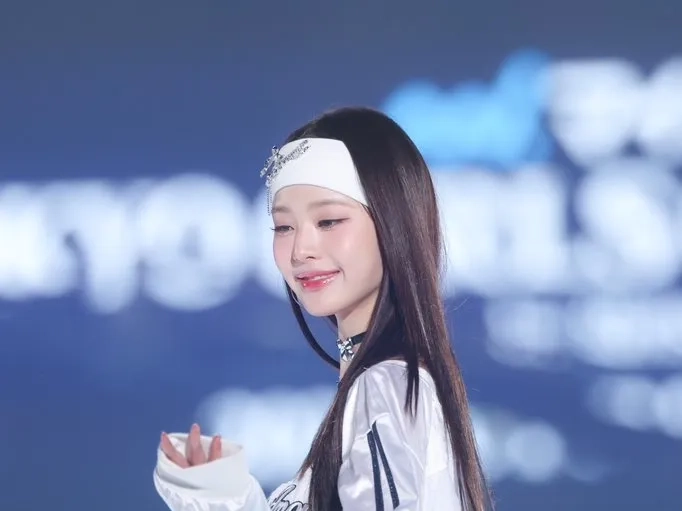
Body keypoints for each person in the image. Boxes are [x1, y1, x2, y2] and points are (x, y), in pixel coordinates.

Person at [154, 106, 492, 511]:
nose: (300, 249)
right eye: (284, 227)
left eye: (328, 221)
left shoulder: (385, 385)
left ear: (393, 222)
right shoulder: (388, 383)